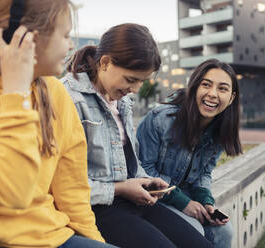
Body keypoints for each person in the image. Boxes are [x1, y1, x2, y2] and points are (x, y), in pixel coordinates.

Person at [0, 0, 117, 247]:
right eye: (66, 35)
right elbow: (13, 192)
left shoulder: (55, 92)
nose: (70, 45)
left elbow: (72, 189)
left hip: (49, 235)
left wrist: (96, 242)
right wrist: (16, 93)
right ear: (26, 38)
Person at [62, 23, 213, 248]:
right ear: (105, 63)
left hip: (132, 201)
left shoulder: (122, 100)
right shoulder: (69, 98)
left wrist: (146, 180)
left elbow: (128, 163)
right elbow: (63, 183)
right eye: (131, 80)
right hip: (96, 209)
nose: (136, 89)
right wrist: (120, 188)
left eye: (142, 81)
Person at [137, 59, 243, 248]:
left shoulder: (219, 132)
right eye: (206, 85)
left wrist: (206, 202)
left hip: (185, 196)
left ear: (231, 98)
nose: (212, 94)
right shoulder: (161, 119)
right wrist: (183, 202)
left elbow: (203, 174)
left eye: (222, 89)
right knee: (195, 229)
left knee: (225, 232)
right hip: (152, 198)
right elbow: (143, 170)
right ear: (194, 87)